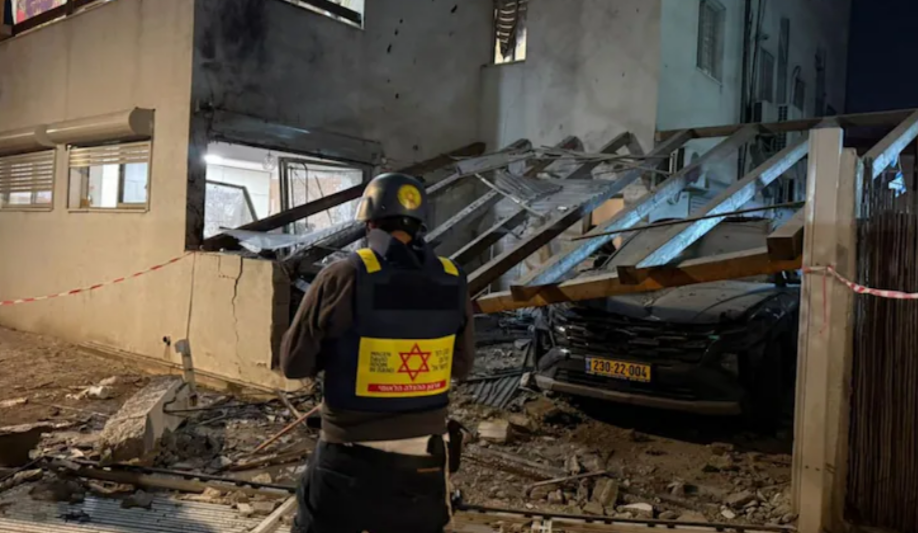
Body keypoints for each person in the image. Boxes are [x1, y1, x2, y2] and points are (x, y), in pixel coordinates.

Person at [280, 172, 475, 533]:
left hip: (347, 457)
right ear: (420, 225)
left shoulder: (344, 275)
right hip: (426, 460)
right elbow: (461, 366)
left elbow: (294, 364)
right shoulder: (453, 277)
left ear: (369, 224)